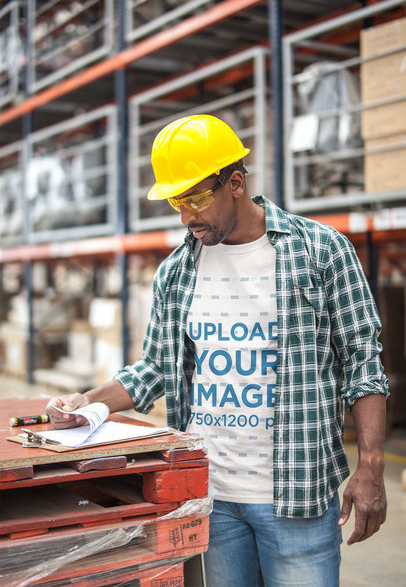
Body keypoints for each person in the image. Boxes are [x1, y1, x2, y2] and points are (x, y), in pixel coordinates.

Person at [47, 114, 389, 587]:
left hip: (297, 495)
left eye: (195, 199)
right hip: (211, 495)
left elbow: (362, 361)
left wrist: (371, 465)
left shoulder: (320, 252)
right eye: (176, 202)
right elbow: (156, 368)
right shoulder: (176, 272)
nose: (187, 217)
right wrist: (90, 401)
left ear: (234, 182)